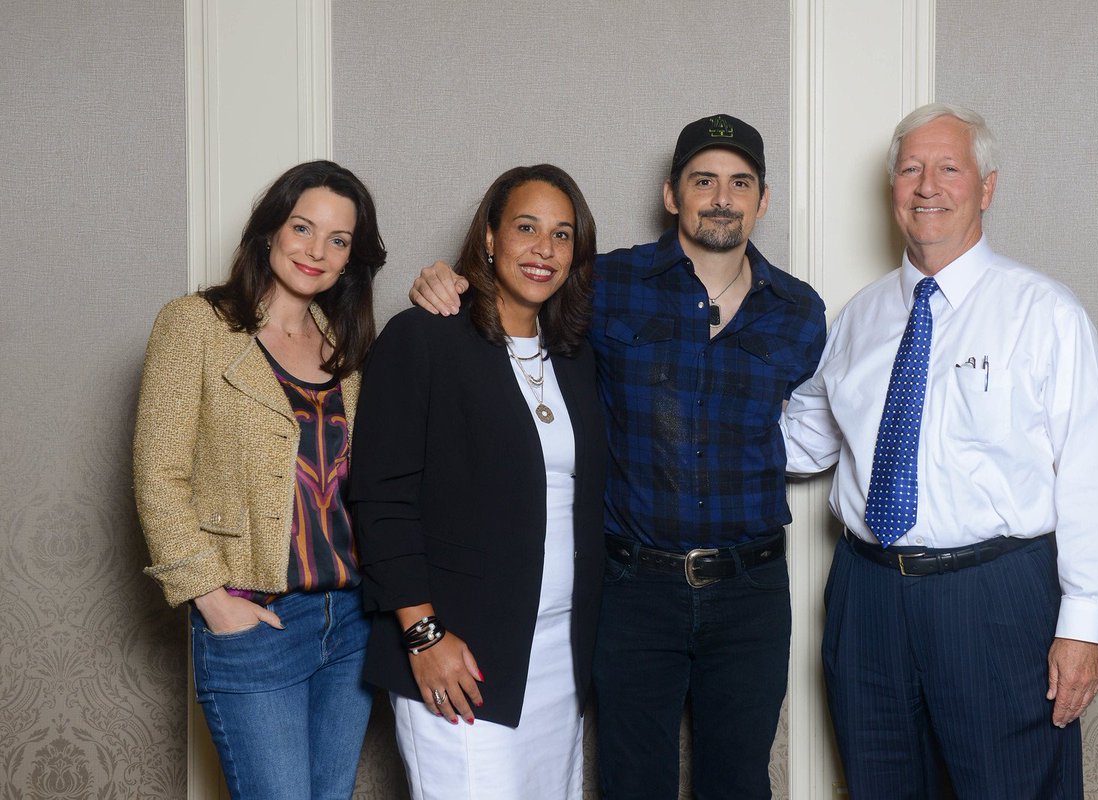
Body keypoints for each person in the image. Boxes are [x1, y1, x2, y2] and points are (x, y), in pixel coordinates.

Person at [410, 116, 827, 799]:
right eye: (703, 181)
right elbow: (512, 305)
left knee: (740, 781)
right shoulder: (604, 283)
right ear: (671, 194)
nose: (722, 198)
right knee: (633, 782)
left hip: (750, 590)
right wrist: (449, 282)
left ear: (763, 199)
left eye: (740, 182)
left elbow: (814, 429)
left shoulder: (799, 310)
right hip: (634, 586)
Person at [780, 103, 1098, 798]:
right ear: (893, 189)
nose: (927, 186)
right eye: (910, 169)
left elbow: (1091, 478)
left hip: (994, 596)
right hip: (867, 596)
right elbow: (800, 443)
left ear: (986, 187)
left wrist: (1084, 627)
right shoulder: (858, 318)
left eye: (948, 168)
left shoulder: (1045, 313)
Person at [350, 165, 607, 799]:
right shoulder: (424, 337)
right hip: (457, 650)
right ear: (490, 237)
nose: (543, 249)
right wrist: (423, 634)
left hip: (558, 654)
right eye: (526, 228)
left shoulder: (575, 356)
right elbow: (381, 499)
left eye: (562, 235)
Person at [132, 160, 386, 800]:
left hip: (351, 619)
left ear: (350, 260)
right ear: (270, 229)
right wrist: (211, 599)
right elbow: (159, 472)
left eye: (338, 240)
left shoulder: (347, 344)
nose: (316, 251)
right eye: (302, 227)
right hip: (257, 616)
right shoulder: (196, 325)